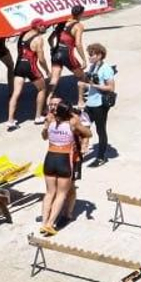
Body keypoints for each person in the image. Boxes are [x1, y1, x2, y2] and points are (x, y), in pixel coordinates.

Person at [38, 100, 90, 236]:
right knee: (62, 193)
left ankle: (44, 223)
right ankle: (50, 224)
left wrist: (46, 125)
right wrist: (76, 123)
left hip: (50, 157)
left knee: (50, 193)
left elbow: (44, 136)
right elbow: (88, 133)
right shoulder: (72, 123)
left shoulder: (50, 120)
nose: (52, 107)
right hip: (65, 159)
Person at [7, 22, 50, 130]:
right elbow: (41, 59)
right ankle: (38, 117)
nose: (46, 27)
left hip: (19, 66)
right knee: (42, 89)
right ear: (38, 26)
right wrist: (47, 70)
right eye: (44, 26)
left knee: (16, 93)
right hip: (30, 67)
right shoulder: (38, 39)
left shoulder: (22, 35)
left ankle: (10, 120)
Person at [80, 43, 117, 165]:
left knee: (100, 130)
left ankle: (101, 157)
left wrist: (93, 85)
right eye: (89, 55)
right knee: (82, 128)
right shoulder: (93, 67)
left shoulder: (106, 69)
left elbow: (111, 88)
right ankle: (81, 152)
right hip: (90, 104)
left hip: (100, 105)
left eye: (91, 55)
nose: (89, 57)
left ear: (100, 55)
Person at [47, 5, 86, 87]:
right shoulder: (79, 26)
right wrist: (84, 59)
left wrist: (53, 48)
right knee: (82, 76)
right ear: (81, 14)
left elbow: (50, 39)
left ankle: (49, 94)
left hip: (56, 52)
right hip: (66, 54)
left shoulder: (62, 23)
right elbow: (78, 44)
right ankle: (86, 94)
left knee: (54, 79)